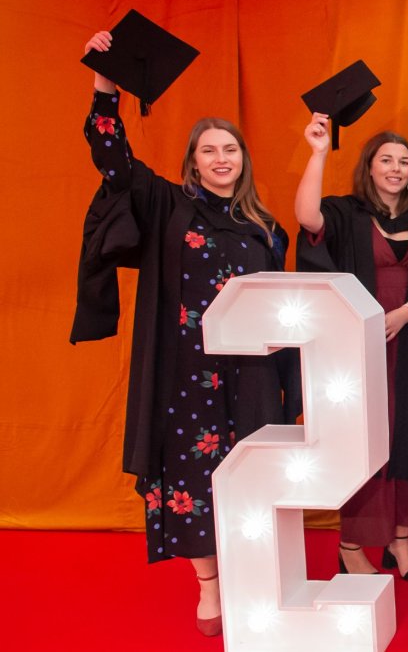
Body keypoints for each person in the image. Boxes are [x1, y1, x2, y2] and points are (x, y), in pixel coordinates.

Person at [73, 31, 297, 637]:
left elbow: (282, 304)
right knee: (195, 480)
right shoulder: (168, 205)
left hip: (251, 375)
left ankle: (257, 575)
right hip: (186, 375)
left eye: (231, 149)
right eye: (209, 150)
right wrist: (106, 82)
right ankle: (209, 584)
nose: (222, 158)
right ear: (193, 160)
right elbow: (113, 160)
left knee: (253, 475)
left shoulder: (268, 229)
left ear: (243, 159)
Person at [294, 113, 408, 583]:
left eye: (405, 162)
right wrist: (317, 151)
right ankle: (351, 546)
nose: (396, 168)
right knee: (366, 442)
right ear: (369, 167)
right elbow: (306, 217)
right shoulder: (345, 212)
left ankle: (400, 540)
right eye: (386, 160)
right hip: (361, 346)